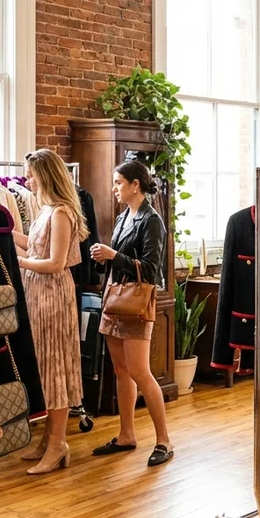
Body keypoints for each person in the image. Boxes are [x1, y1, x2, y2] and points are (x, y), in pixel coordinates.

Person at [89, 160, 174, 467]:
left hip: (135, 304)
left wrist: (113, 255)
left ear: (135, 185)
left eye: (118, 183)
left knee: (140, 372)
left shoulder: (152, 221)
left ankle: (164, 440)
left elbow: (150, 270)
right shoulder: (124, 217)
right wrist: (104, 259)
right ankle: (126, 434)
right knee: (121, 370)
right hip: (115, 301)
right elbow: (121, 260)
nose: (114, 188)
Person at [15, 148, 89, 475]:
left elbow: (56, 263)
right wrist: (3, 233)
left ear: (45, 176)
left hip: (52, 294)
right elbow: (35, 247)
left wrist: (19, 261)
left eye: (31, 175)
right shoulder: (45, 210)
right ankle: (49, 439)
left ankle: (58, 443)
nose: (27, 181)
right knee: (45, 366)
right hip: (38, 292)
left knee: (55, 366)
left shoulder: (60, 213)